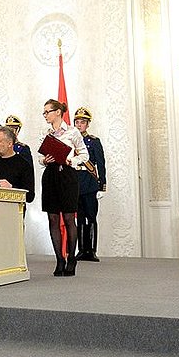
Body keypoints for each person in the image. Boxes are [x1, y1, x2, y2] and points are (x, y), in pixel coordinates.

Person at [38, 99, 89, 277]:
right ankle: (59, 259)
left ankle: (71, 258)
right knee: (53, 218)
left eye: (47, 112)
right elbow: (40, 156)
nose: (45, 115)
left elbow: (84, 154)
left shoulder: (73, 131)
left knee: (68, 217)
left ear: (58, 112)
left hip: (67, 175)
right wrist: (44, 160)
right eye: (44, 112)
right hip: (51, 175)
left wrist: (71, 160)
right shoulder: (46, 132)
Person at [74, 106, 106, 262]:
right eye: (77, 122)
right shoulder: (71, 142)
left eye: (82, 122)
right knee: (80, 217)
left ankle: (92, 250)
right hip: (76, 182)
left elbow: (101, 163)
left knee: (91, 216)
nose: (79, 125)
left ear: (87, 124)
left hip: (90, 181)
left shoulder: (93, 141)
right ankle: (81, 250)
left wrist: (102, 184)